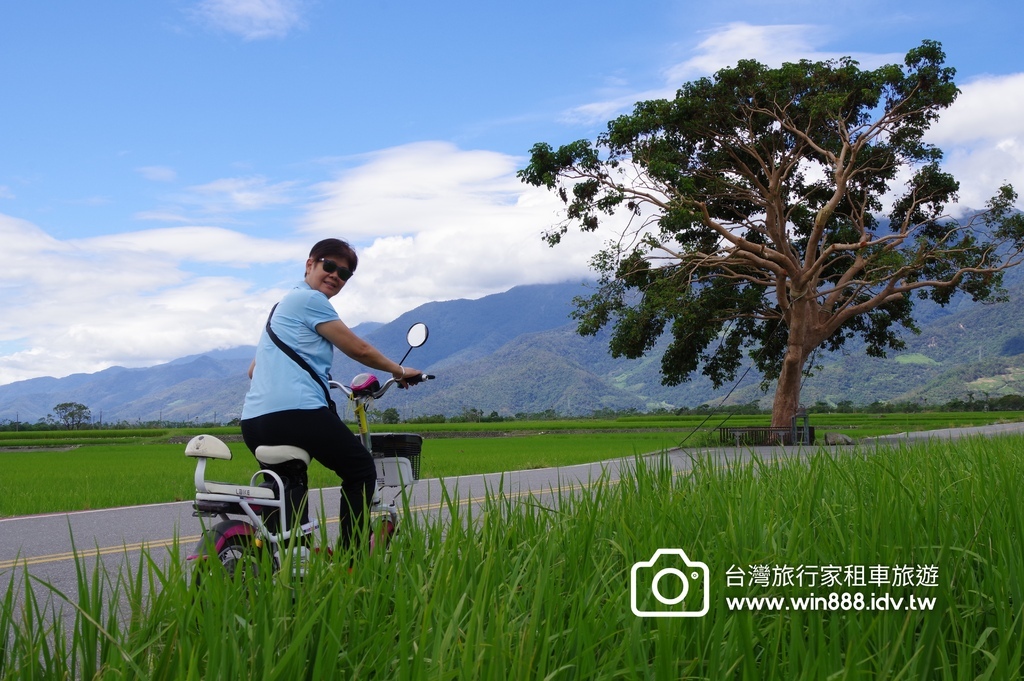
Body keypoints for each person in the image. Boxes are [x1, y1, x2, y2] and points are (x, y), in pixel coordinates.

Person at [240, 238, 422, 550]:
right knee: (360, 469)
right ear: (309, 264)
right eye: (330, 265)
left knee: (288, 483)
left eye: (345, 273)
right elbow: (359, 349)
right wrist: (400, 371)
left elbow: (253, 370)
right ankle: (354, 559)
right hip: (297, 414)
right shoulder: (311, 301)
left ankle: (290, 561)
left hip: (254, 422)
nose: (336, 275)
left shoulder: (281, 308)